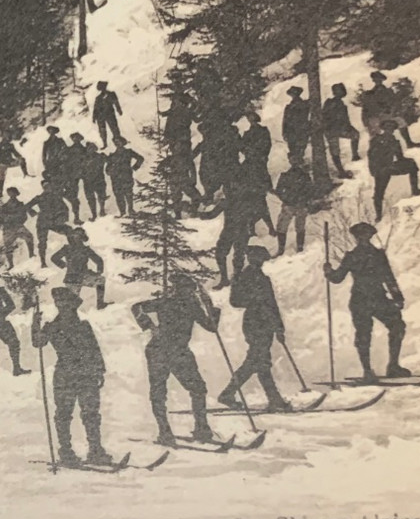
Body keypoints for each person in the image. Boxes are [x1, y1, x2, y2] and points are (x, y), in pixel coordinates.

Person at [132, 273, 219, 446]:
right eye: (186, 289)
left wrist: (208, 304)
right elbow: (136, 307)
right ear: (178, 290)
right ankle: (165, 432)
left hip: (178, 352)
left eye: (190, 290)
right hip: (160, 350)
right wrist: (149, 326)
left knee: (198, 388)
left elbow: (212, 327)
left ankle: (201, 429)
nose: (189, 293)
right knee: (160, 392)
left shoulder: (192, 306)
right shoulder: (167, 302)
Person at [32, 287, 111, 465]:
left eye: (68, 305)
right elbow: (38, 342)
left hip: (87, 375)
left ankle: (95, 450)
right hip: (65, 375)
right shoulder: (52, 327)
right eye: (61, 305)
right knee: (64, 414)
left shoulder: (83, 326)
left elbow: (94, 349)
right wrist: (34, 324)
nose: (65, 308)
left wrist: (99, 370)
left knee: (91, 413)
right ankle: (66, 452)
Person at [325, 222, 411, 382]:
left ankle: (393, 366)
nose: (363, 239)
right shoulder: (351, 256)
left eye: (366, 236)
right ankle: (367, 371)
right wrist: (329, 272)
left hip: (379, 298)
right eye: (360, 236)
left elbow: (388, 276)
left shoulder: (378, 255)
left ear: (370, 236)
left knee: (397, 326)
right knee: (364, 335)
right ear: (356, 238)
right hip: (360, 300)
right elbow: (338, 278)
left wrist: (398, 297)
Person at [216, 246, 293, 412]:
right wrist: (255, 300)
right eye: (259, 258)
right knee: (258, 361)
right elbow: (235, 301)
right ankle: (273, 399)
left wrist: (278, 328)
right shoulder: (242, 278)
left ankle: (231, 394)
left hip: (266, 323)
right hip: (254, 323)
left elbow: (272, 304)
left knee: (259, 362)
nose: (261, 262)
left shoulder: (262, 278)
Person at [368, 119, 420, 217]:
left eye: (392, 128)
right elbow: (371, 156)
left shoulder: (395, 141)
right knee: (379, 192)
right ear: (383, 128)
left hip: (390, 167)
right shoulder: (376, 140)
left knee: (412, 164)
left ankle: (415, 190)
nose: (390, 130)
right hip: (380, 169)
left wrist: (407, 161)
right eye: (387, 127)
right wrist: (374, 171)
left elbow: (400, 157)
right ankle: (378, 215)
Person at [51, 226, 108, 309]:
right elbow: (99, 260)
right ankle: (100, 304)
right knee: (101, 280)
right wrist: (99, 271)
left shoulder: (67, 249)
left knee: (72, 304)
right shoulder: (85, 249)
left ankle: (70, 314)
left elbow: (54, 258)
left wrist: (63, 265)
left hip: (71, 279)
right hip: (84, 277)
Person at [271, 160, 314, 255]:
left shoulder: (286, 176)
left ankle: (282, 249)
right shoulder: (305, 176)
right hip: (300, 205)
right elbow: (311, 191)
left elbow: (278, 191)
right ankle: (299, 248)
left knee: (282, 227)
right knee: (299, 227)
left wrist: (286, 199)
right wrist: (304, 201)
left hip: (290, 205)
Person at [193, 117, 241, 201]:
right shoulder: (209, 139)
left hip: (224, 163)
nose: (204, 134)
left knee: (226, 179)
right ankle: (210, 194)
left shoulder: (223, 137)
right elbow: (200, 148)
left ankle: (229, 197)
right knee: (206, 176)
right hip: (211, 164)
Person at [26, 185, 73, 267]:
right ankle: (43, 262)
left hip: (54, 222)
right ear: (44, 188)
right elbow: (27, 206)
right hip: (43, 222)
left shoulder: (56, 197)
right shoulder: (39, 197)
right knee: (42, 242)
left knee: (69, 231)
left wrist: (63, 218)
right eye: (46, 188)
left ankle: (74, 252)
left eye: (50, 187)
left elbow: (65, 208)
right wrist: (32, 212)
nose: (49, 189)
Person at [322, 84, 361, 178]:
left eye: (341, 91)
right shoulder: (330, 102)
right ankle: (341, 171)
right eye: (338, 91)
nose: (340, 93)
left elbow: (345, 118)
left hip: (341, 128)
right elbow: (325, 116)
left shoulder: (341, 104)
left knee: (355, 134)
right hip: (331, 129)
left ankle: (355, 155)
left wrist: (347, 126)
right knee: (335, 150)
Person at [105, 136, 145, 217]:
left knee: (128, 194)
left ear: (123, 142)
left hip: (126, 176)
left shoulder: (128, 152)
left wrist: (134, 167)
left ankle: (131, 211)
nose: (117, 143)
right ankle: (122, 212)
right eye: (115, 142)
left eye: (118, 141)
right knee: (118, 195)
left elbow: (140, 158)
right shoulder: (112, 155)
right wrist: (109, 172)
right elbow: (107, 167)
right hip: (115, 178)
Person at [0, 186, 36, 266]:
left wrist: (14, 219)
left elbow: (24, 217)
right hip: (9, 227)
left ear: (16, 194)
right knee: (8, 246)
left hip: (18, 226)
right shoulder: (5, 206)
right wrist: (11, 218)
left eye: (13, 193)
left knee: (29, 237)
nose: (12, 195)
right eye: (10, 193)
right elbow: (2, 218)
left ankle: (31, 254)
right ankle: (11, 264)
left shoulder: (20, 205)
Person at [359, 71, 396, 139]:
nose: (378, 81)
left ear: (382, 80)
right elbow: (366, 108)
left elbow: (392, 104)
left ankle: (408, 142)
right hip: (374, 116)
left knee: (400, 122)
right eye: (376, 79)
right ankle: (375, 144)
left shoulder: (388, 92)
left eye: (379, 80)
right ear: (373, 80)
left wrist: (389, 111)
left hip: (386, 115)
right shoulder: (370, 94)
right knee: (374, 124)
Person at [281, 86, 311, 168]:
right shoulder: (289, 107)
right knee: (293, 149)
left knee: (300, 149)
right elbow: (285, 121)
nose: (294, 95)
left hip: (301, 131)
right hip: (291, 132)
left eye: (295, 93)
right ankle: (295, 166)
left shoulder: (305, 104)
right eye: (292, 93)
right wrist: (284, 132)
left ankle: (299, 166)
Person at [81, 139, 110, 220]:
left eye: (93, 148)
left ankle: (102, 210)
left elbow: (110, 162)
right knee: (90, 198)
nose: (91, 150)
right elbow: (79, 168)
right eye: (89, 148)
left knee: (101, 196)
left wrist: (108, 169)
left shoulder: (101, 156)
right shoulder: (83, 158)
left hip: (99, 179)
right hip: (87, 181)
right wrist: (82, 175)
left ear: (95, 148)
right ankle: (94, 214)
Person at [239, 108, 272, 177]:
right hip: (250, 159)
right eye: (249, 118)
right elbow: (242, 146)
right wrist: (247, 151)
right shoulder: (247, 133)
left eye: (252, 118)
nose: (251, 120)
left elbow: (267, 145)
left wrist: (259, 153)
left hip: (260, 159)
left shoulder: (263, 131)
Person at [92, 81, 123, 148]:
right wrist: (94, 117)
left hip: (110, 114)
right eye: (101, 88)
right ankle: (104, 143)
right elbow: (95, 108)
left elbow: (116, 103)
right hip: (100, 116)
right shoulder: (98, 98)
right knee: (102, 131)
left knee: (114, 128)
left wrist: (119, 110)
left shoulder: (112, 94)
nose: (102, 89)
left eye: (103, 87)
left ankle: (118, 142)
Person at [41, 126, 69, 191]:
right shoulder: (46, 143)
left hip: (60, 162)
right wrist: (45, 164)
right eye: (50, 131)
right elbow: (44, 155)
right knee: (52, 177)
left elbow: (66, 150)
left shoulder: (60, 140)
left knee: (63, 177)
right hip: (51, 163)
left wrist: (63, 158)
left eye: (52, 131)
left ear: (55, 132)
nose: (51, 132)